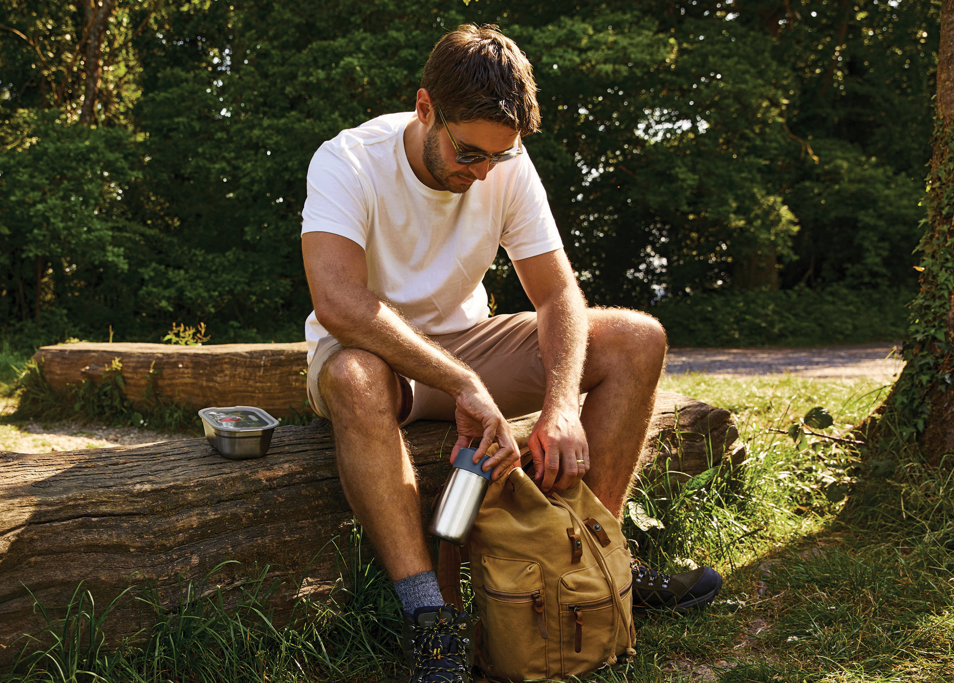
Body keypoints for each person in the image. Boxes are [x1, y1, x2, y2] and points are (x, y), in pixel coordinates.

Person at [300, 24, 721, 683]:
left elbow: (557, 295)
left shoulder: (505, 163)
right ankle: (432, 621)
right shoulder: (347, 161)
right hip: (375, 353)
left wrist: (562, 406)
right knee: (355, 376)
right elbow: (339, 303)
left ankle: (593, 562)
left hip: (470, 346)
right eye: (469, 153)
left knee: (637, 338)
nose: (481, 172)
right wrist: (462, 381)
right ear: (424, 107)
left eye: (497, 157)